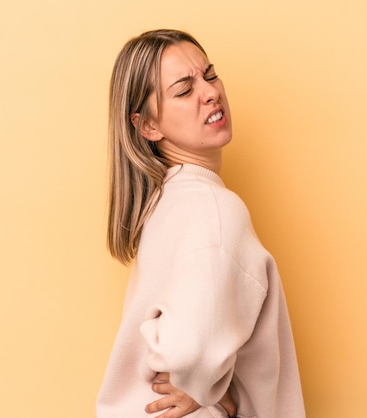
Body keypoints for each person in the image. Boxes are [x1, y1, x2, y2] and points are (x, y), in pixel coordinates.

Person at [96, 29, 305, 418]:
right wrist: (204, 388)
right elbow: (192, 351)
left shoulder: (167, 204)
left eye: (209, 74)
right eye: (183, 89)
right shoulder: (213, 208)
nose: (210, 92)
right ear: (147, 127)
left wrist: (206, 386)